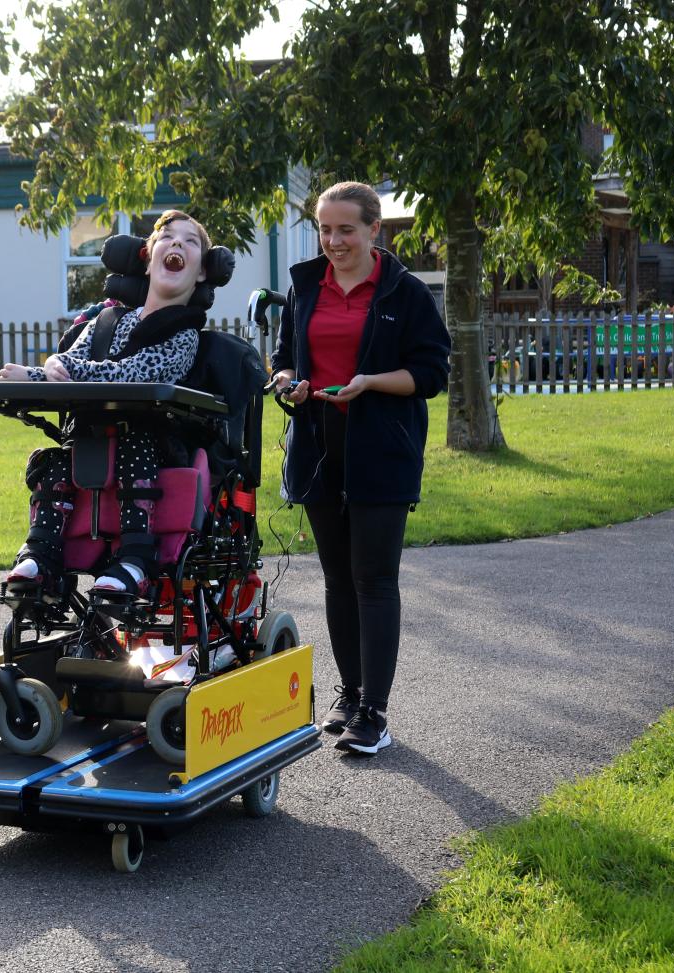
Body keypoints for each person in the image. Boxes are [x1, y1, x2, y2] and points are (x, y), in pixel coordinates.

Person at [268, 181, 451, 755]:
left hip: (382, 449)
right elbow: (284, 361)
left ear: (375, 229)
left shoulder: (405, 292)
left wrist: (370, 383)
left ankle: (375, 712)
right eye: (325, 229)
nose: (333, 240)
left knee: (373, 579)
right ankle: (348, 695)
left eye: (346, 229)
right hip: (318, 446)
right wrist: (287, 385)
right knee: (337, 579)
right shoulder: (303, 288)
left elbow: (432, 374)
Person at [0, 210, 213, 600]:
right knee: (56, 460)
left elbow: (133, 373)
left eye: (190, 241)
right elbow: (63, 376)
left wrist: (59, 363)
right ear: (147, 257)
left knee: (134, 447)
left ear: (200, 272)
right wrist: (33, 375)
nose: (177, 243)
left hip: (154, 447)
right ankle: (40, 557)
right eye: (166, 236)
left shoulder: (184, 334)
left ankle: (135, 560)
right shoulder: (104, 322)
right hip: (90, 443)